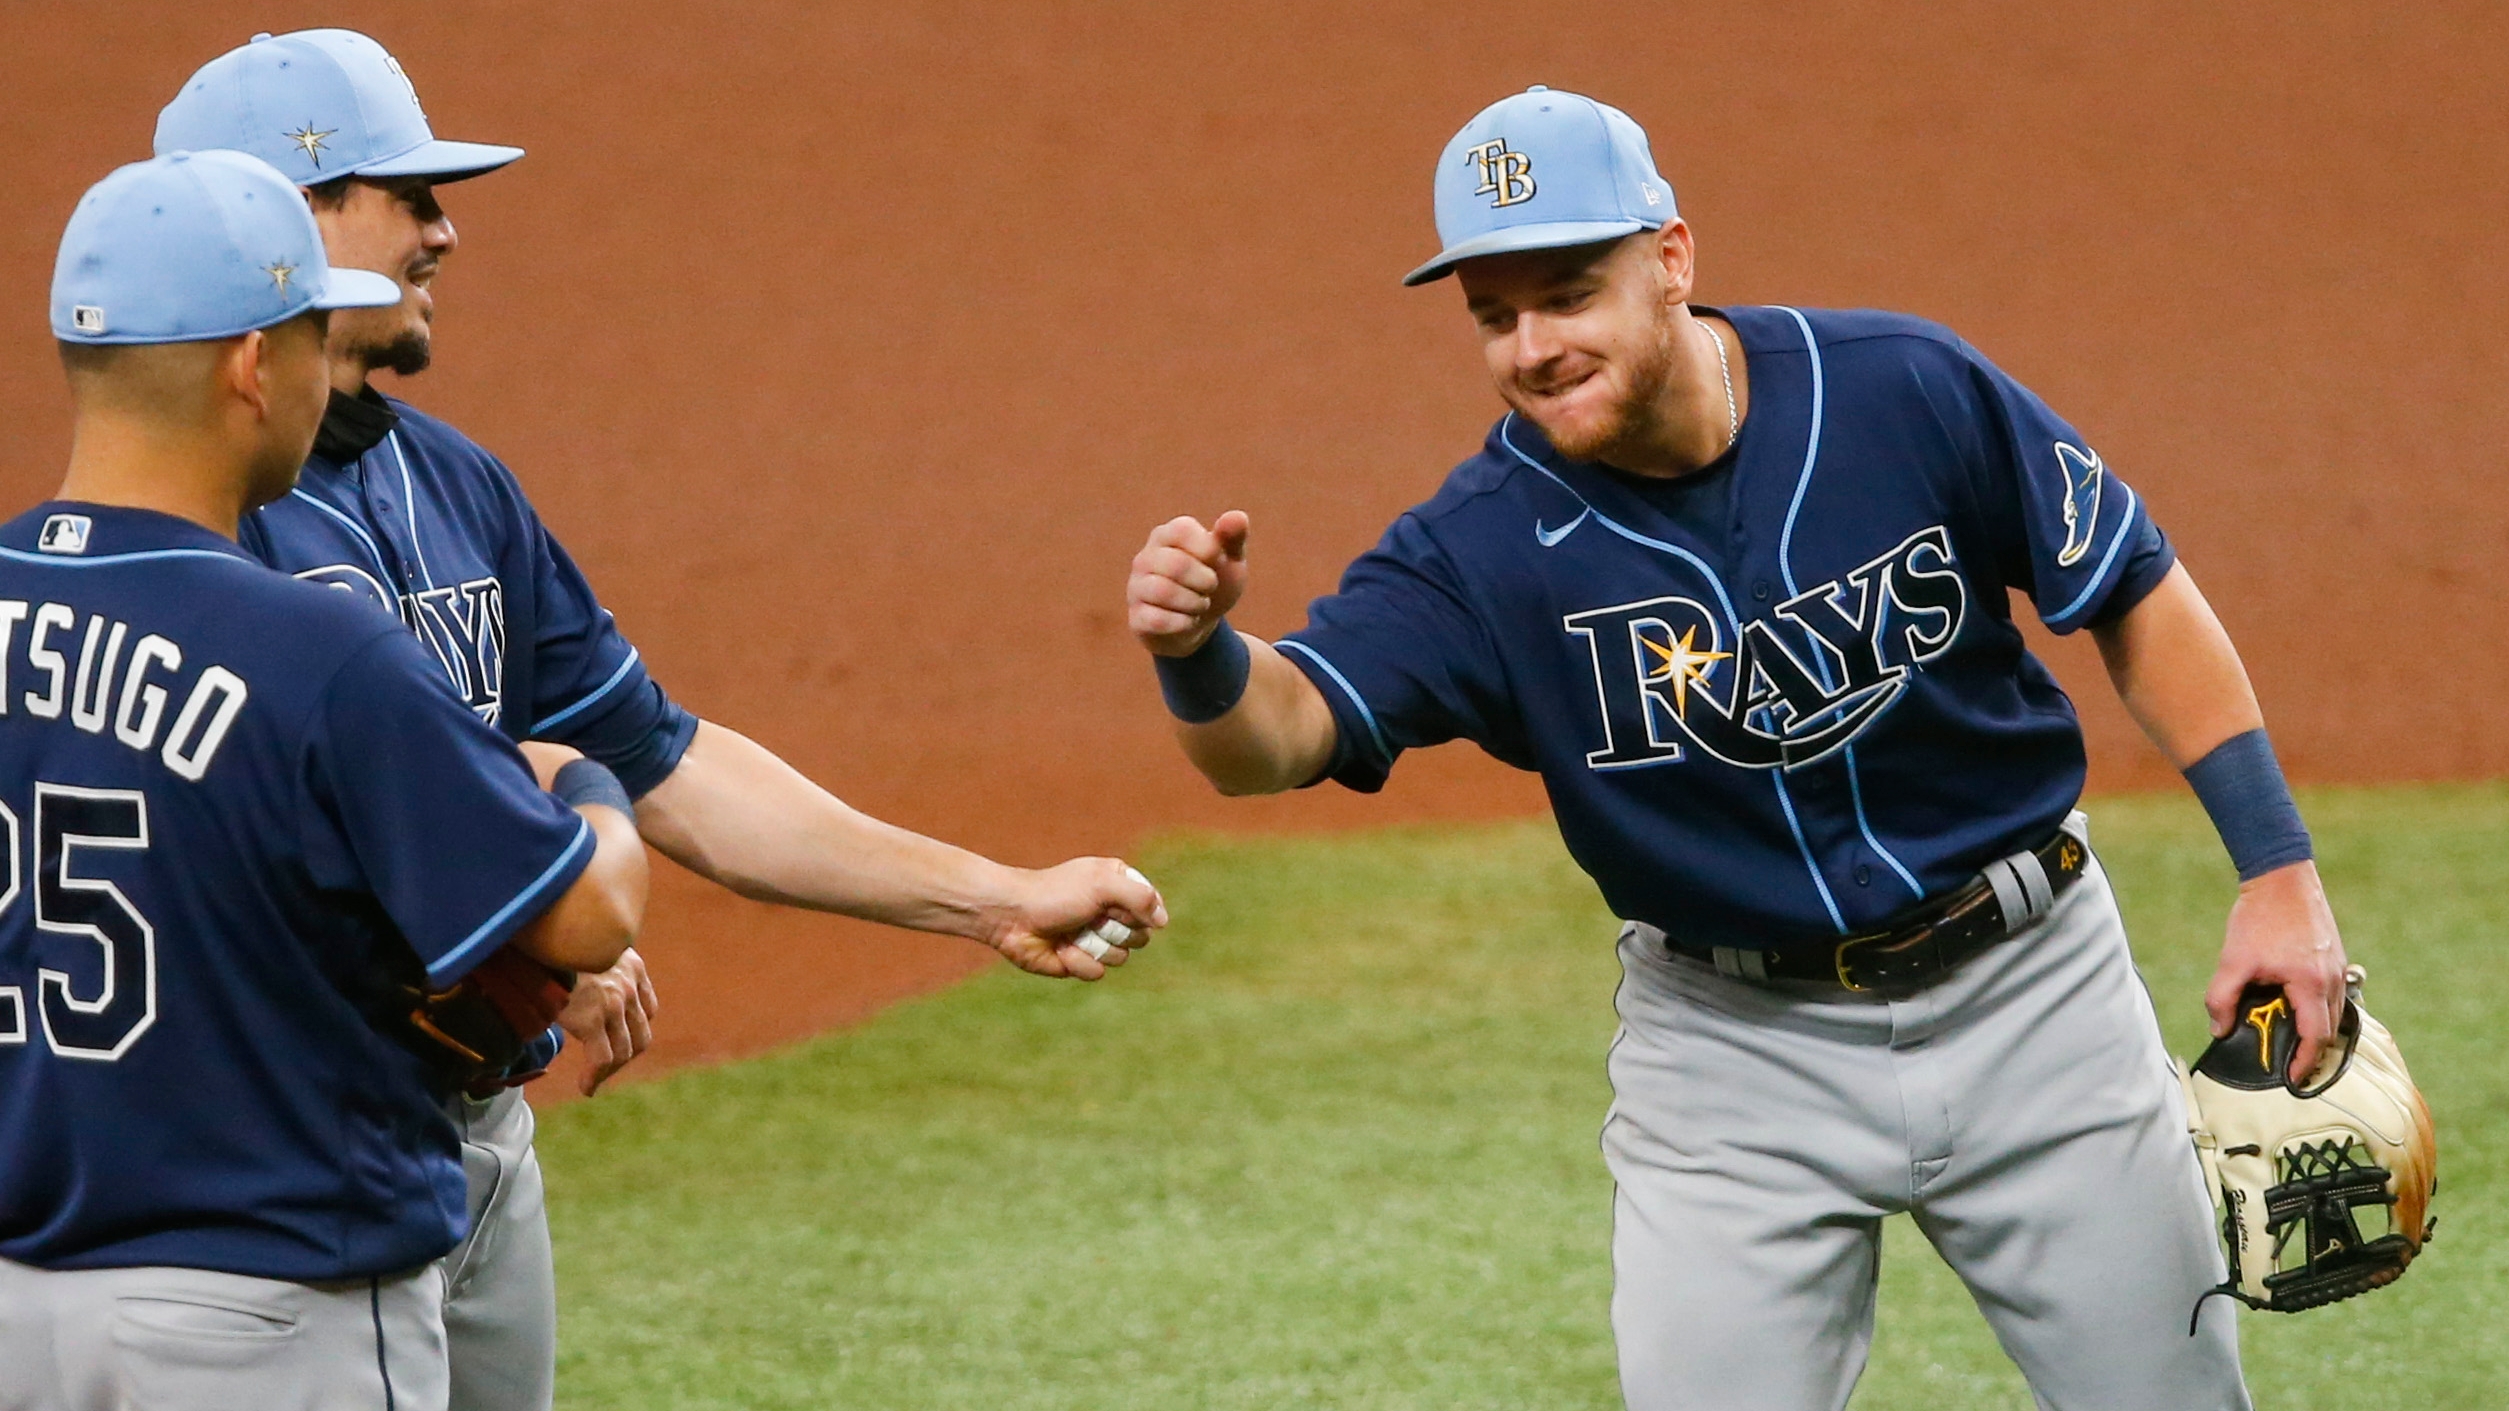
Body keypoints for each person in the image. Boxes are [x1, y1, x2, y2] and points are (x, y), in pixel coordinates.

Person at [1124, 86, 2346, 1409]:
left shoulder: (1899, 386)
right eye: (1493, 313)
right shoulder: (1483, 547)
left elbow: (2129, 589)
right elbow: (1278, 735)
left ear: (1670, 259)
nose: (1532, 346)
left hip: (2035, 997)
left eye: (1568, 291)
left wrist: (2277, 869)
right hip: (1731, 1058)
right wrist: (1198, 651)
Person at [153, 28, 1166, 1411]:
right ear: (292, 215)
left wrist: (991, 897)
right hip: (280, 1156)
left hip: (475, 1128)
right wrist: (516, 897)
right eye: (411, 194)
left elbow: (662, 758)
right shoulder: (184, 529)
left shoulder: (455, 484)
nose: (448, 229)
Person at [0, 149, 646, 1411]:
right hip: (266, 1316)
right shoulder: (315, 649)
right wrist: (587, 787)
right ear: (254, 364)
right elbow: (585, 916)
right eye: (312, 337)